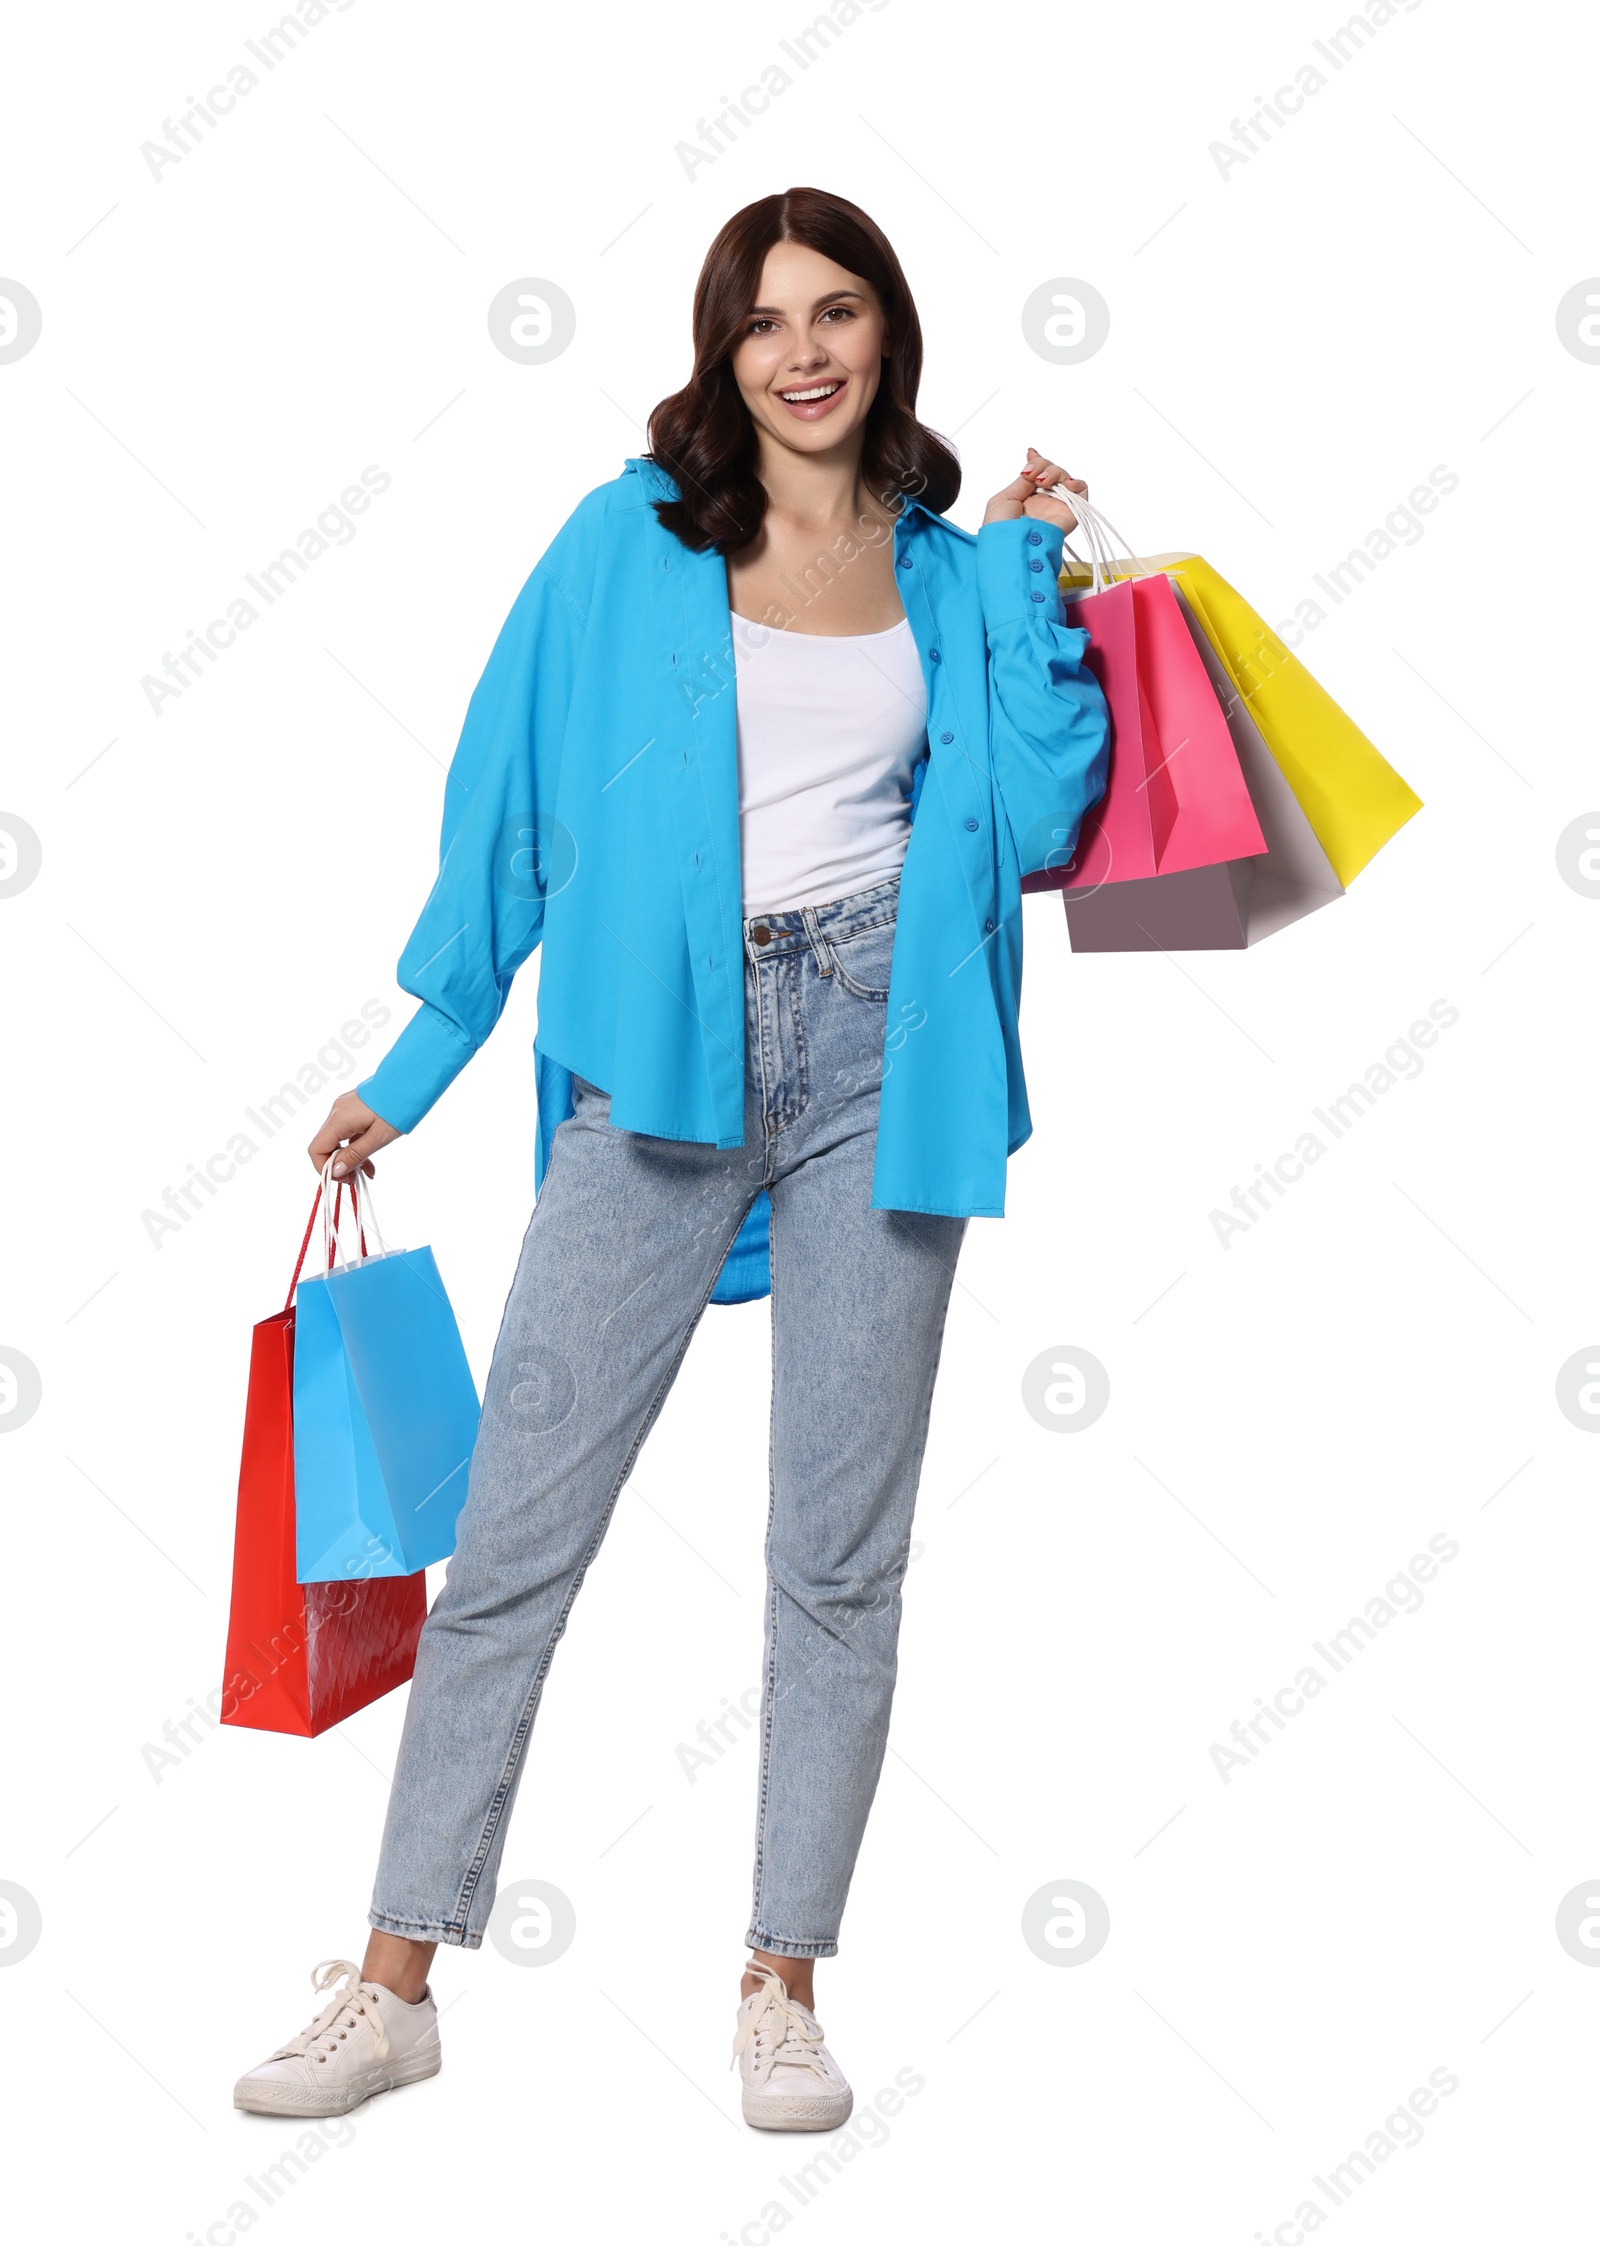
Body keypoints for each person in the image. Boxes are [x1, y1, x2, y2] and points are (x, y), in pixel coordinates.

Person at [234, 184, 1108, 2131]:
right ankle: (392, 1981)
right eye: (762, 320)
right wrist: (425, 1051)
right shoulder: (627, 544)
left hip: (886, 1057)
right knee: (517, 1534)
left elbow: (1041, 820)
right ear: (721, 351)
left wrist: (1041, 586)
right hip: (658, 1061)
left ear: (887, 334)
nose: (801, 351)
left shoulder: (952, 575)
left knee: (836, 1556)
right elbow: (507, 803)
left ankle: (779, 1979)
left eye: (836, 312)